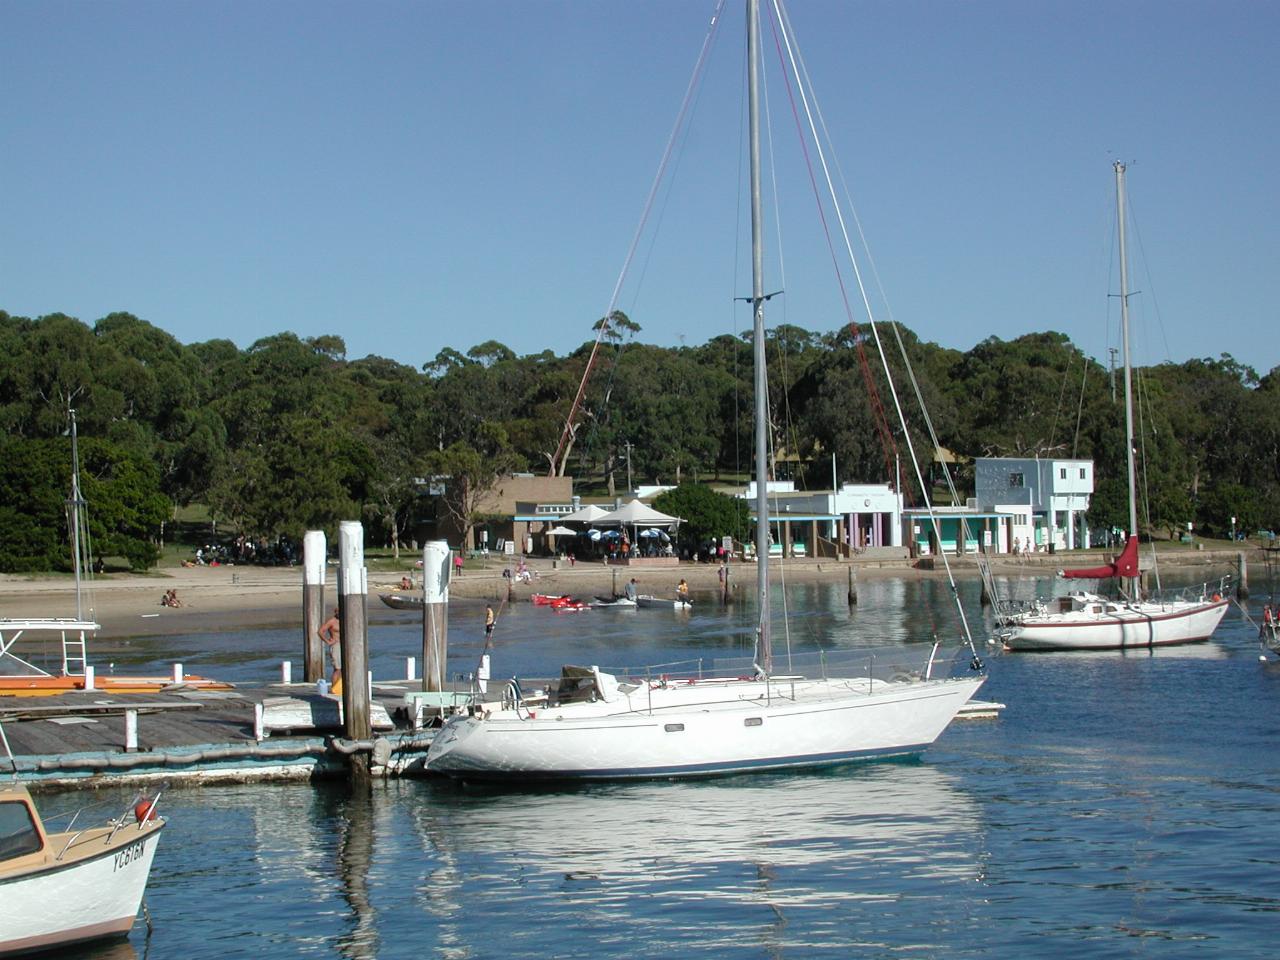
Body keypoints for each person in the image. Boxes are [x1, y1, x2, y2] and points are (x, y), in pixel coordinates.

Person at [318, 607, 342, 685]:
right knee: (337, 668)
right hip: (336, 645)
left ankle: (340, 686)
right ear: (335, 612)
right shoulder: (332, 621)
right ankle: (333, 687)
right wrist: (327, 641)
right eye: (338, 612)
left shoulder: (345, 620)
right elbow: (320, 631)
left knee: (344, 668)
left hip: (344, 645)